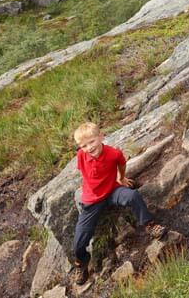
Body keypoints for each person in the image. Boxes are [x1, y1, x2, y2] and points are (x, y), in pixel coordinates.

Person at [71, 122, 165, 286]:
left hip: (112, 191)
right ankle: (82, 264)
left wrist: (121, 178)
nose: (89, 148)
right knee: (79, 239)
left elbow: (121, 164)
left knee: (132, 195)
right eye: (83, 145)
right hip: (92, 201)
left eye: (92, 142)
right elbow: (83, 171)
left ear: (101, 137)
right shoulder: (81, 155)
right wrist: (87, 184)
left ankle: (149, 224)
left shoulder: (113, 153)